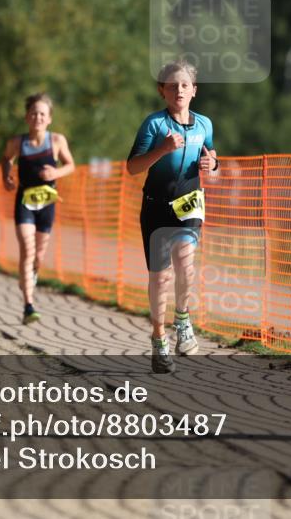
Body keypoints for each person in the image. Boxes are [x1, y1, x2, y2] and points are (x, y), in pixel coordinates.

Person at [126, 60, 217, 373]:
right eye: (172, 85)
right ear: (161, 91)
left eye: (184, 85)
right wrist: (162, 150)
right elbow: (133, 167)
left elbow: (210, 153)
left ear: (194, 90)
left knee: (186, 263)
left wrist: (213, 165)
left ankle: (182, 319)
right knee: (161, 277)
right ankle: (158, 339)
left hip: (190, 202)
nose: (178, 90)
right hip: (156, 206)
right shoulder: (154, 125)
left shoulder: (205, 123)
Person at [2, 93, 75, 324]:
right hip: (25, 201)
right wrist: (7, 177)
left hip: (47, 204)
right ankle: (28, 305)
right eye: (33, 113)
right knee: (27, 247)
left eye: (42, 113)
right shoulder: (17, 143)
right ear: (27, 117)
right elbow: (6, 159)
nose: (38, 117)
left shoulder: (56, 141)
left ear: (49, 118)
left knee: (38, 256)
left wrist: (55, 173)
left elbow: (70, 165)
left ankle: (31, 274)